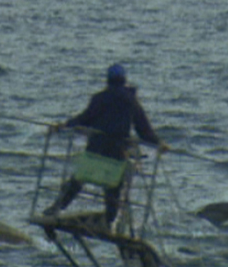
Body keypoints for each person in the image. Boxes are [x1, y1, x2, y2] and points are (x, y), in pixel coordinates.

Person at [46, 64, 168, 226]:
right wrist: (160, 144)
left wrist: (63, 126)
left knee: (77, 180)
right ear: (124, 81)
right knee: (113, 191)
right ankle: (109, 222)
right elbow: (144, 130)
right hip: (116, 155)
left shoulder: (99, 98)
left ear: (108, 80)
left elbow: (83, 119)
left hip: (95, 151)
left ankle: (56, 208)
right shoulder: (131, 101)